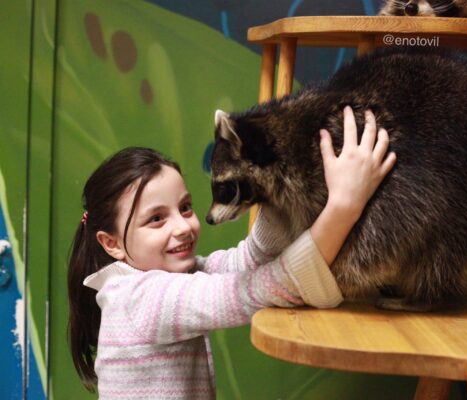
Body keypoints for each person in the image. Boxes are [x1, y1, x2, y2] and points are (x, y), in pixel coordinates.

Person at [67, 107, 396, 399]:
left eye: (184, 208)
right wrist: (343, 206)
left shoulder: (184, 274)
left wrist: (271, 179)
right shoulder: (138, 298)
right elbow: (257, 288)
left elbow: (251, 258)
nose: (182, 227)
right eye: (156, 219)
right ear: (111, 243)